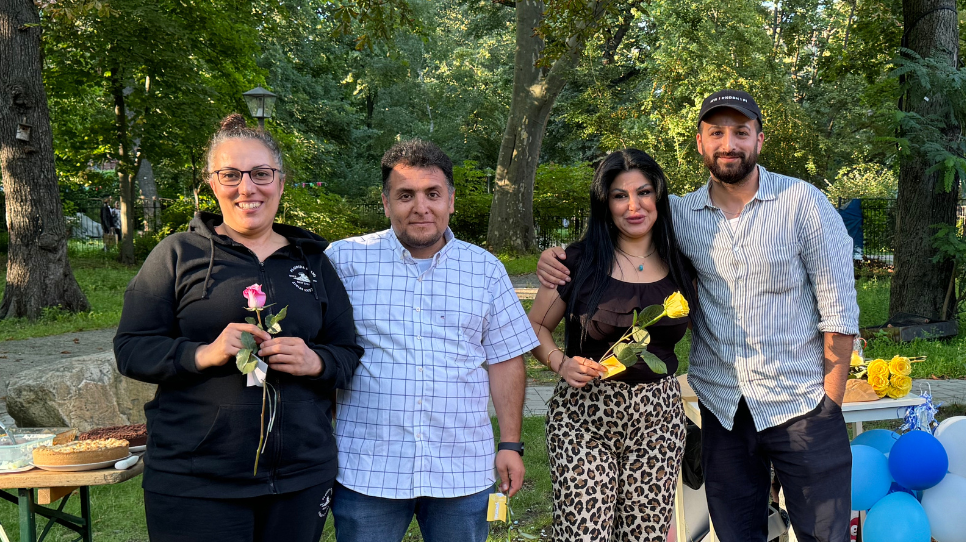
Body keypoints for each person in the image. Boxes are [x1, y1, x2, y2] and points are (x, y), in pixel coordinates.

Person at [537, 90, 859, 542]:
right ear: (700, 143)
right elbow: (623, 232)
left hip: (802, 404)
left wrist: (830, 405)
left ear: (759, 140)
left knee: (824, 536)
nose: (729, 143)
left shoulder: (803, 204)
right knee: (736, 535)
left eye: (740, 132)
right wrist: (555, 258)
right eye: (716, 133)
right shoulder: (679, 217)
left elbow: (840, 314)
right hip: (724, 411)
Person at [114, 114, 363, 542]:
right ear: (213, 184)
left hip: (299, 478)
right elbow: (131, 348)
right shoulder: (177, 255)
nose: (247, 188)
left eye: (261, 174)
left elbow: (347, 353)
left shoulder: (314, 264)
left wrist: (315, 361)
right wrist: (200, 354)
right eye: (231, 175)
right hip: (196, 480)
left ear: (280, 183)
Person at [327, 139, 539, 542]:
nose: (420, 207)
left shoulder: (485, 270)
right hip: (368, 467)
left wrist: (511, 443)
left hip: (460, 467)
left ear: (451, 201)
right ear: (387, 203)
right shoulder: (344, 261)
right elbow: (323, 352)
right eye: (405, 195)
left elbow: (506, 360)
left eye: (432, 194)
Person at [528, 149, 695, 541]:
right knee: (583, 533)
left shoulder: (683, 263)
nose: (633, 206)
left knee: (644, 534)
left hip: (658, 421)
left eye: (644, 192)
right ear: (605, 203)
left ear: (659, 197)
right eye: (620, 195)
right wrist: (560, 362)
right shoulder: (577, 262)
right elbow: (534, 325)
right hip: (584, 419)